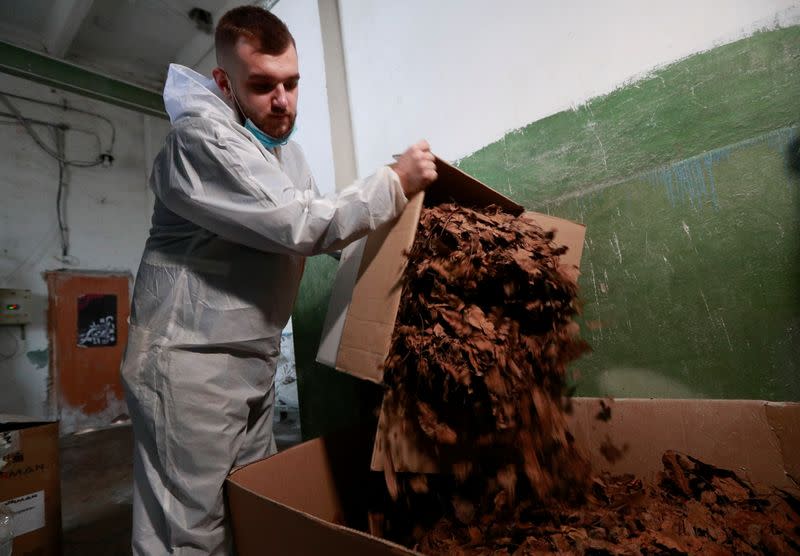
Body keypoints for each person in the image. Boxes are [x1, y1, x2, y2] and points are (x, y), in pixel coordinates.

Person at [120, 5, 437, 555]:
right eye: (262, 85)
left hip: (250, 360)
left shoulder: (284, 156)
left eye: (292, 83)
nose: (283, 101)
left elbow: (315, 223)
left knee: (250, 501)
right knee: (188, 531)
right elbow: (298, 224)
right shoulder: (200, 141)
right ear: (224, 81)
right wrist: (393, 181)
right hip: (188, 365)